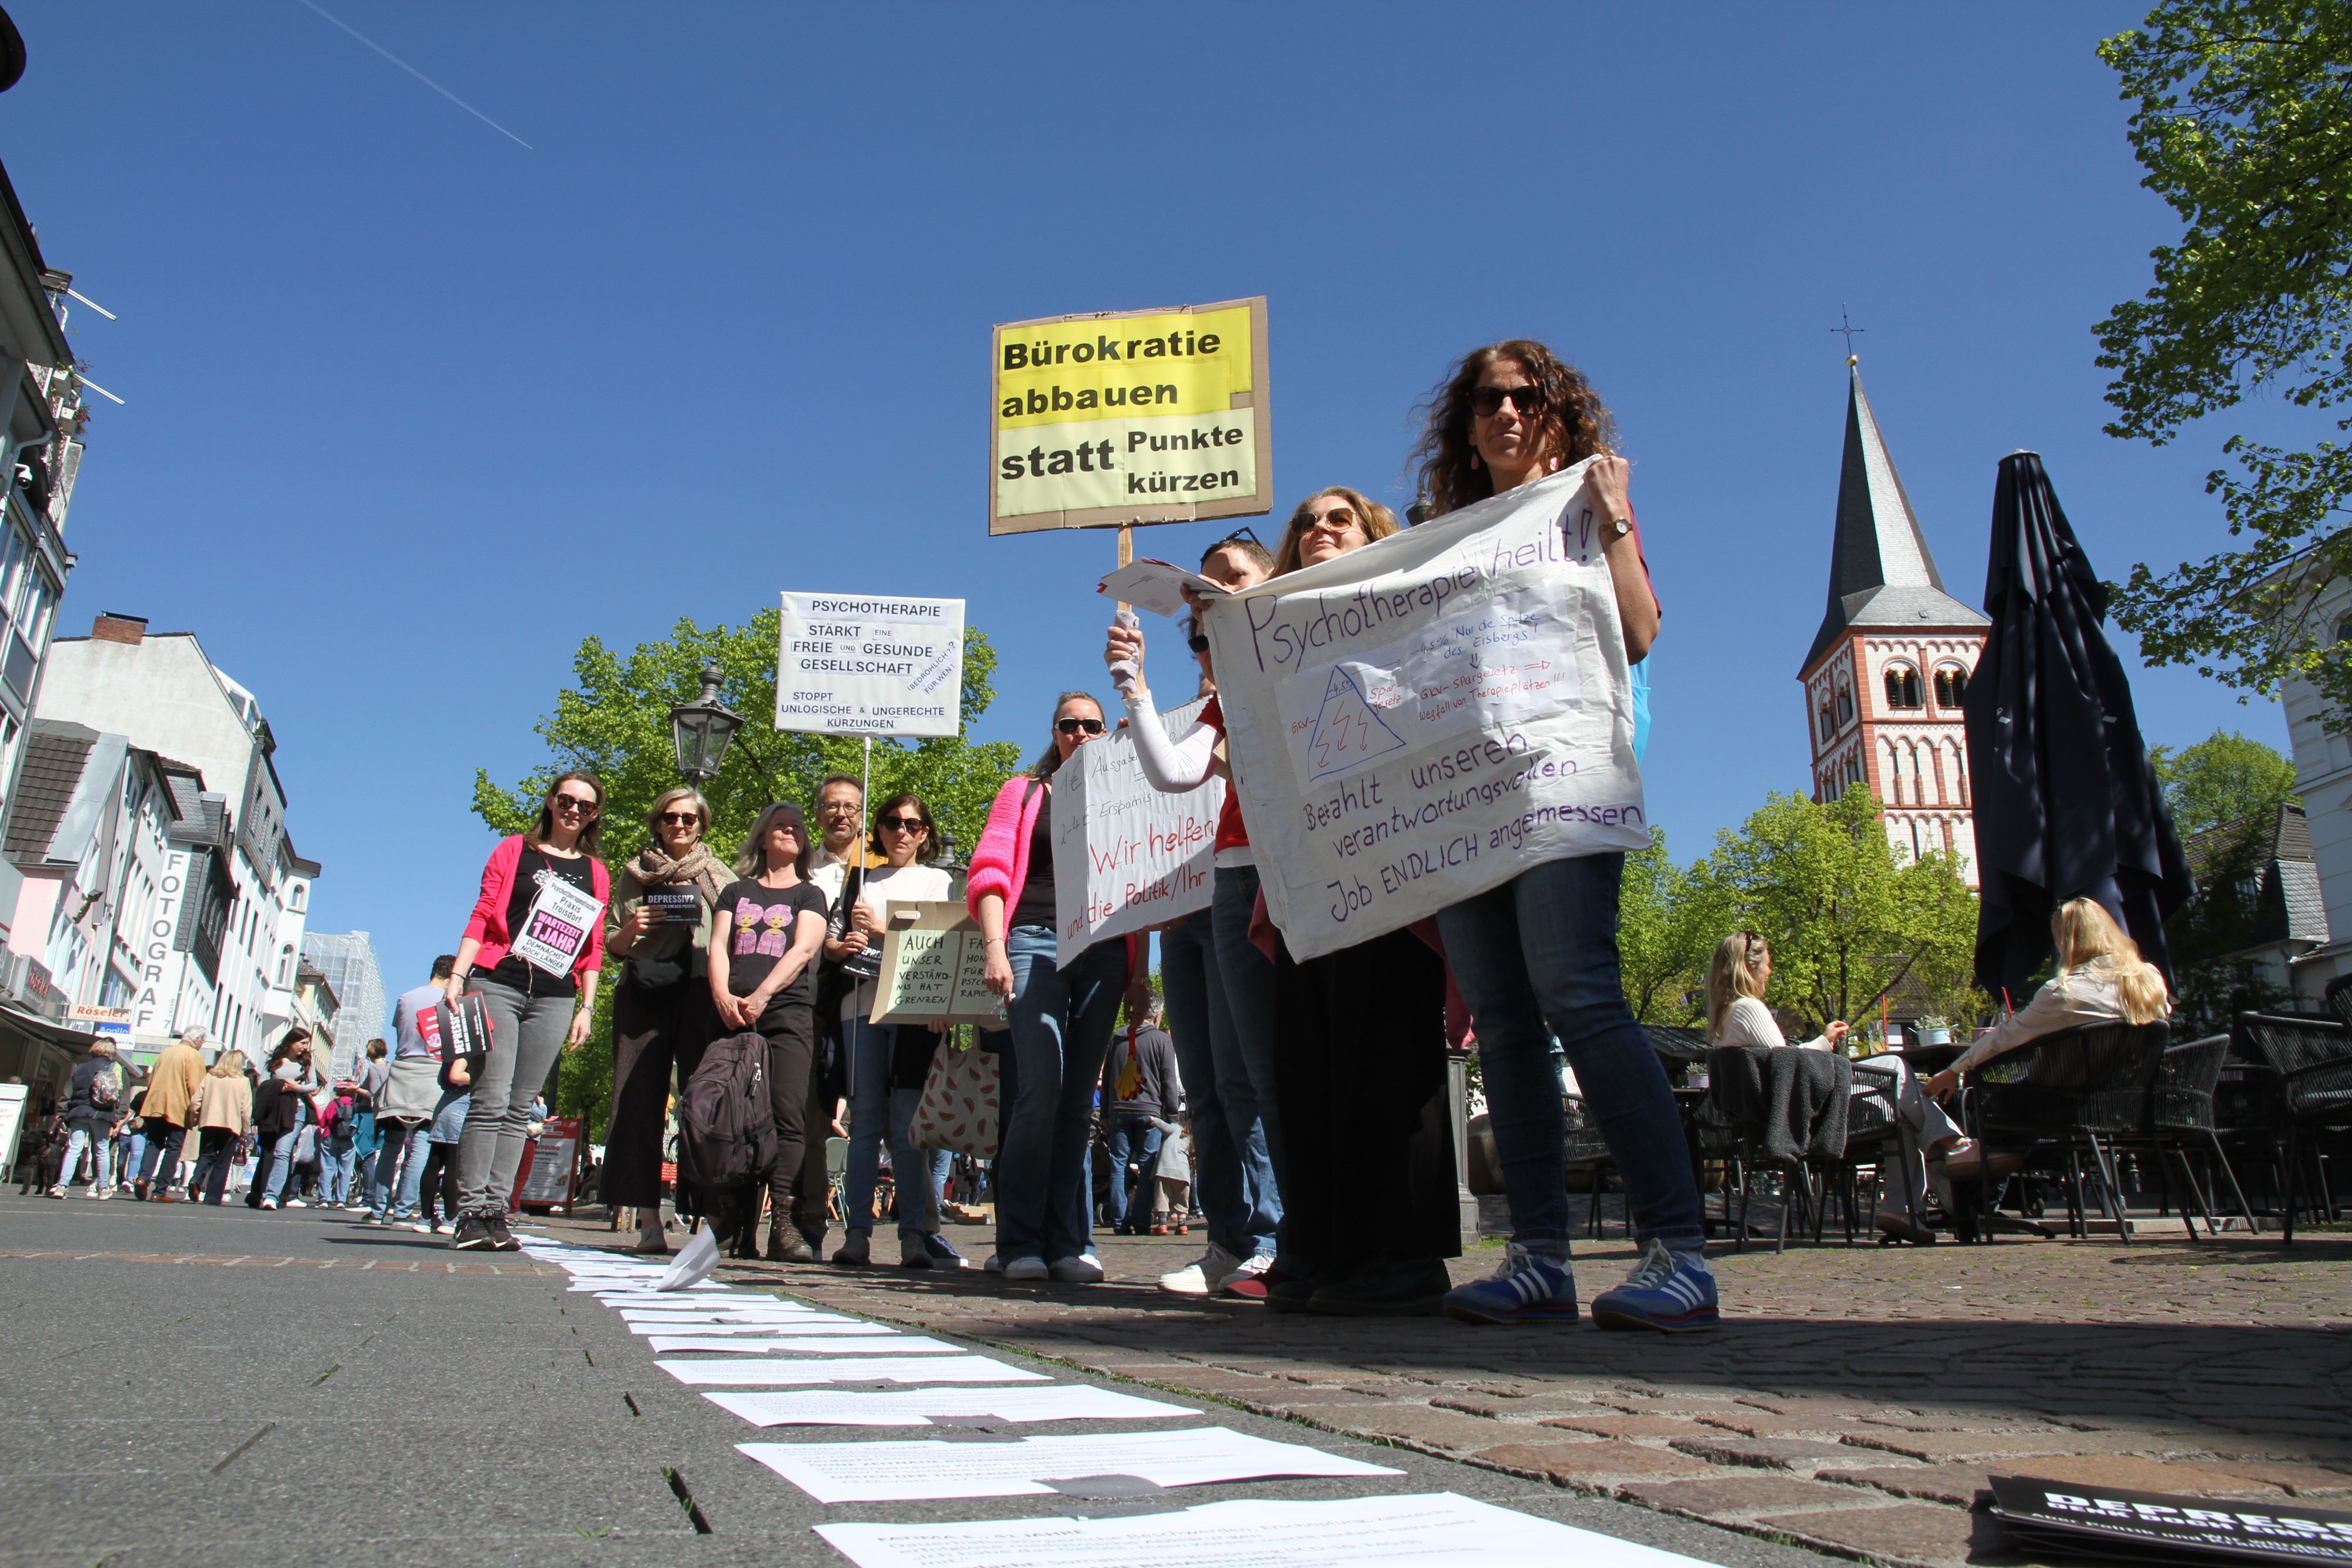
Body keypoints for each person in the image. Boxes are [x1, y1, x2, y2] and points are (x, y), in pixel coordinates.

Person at [1405, 340, 1716, 1330]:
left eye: (1528, 397)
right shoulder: (1444, 533)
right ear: (1467, 425)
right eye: (1489, 400)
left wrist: (1616, 514)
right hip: (1466, 802)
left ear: (1559, 413)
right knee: (1503, 1021)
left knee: (1579, 993)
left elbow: (1639, 633)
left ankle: (1680, 1251)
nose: (1508, 412)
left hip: (1563, 784)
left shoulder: (1585, 510)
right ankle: (1537, 1255)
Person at [1105, 530, 1285, 1298]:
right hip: (1194, 908)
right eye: (1200, 586)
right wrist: (1136, 689)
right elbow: (1175, 773)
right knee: (1208, 1086)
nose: (1209, 594)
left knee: (1250, 1079)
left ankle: (1272, 1237)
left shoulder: (1287, 666)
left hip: (1256, 893)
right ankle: (1228, 1238)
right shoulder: (1215, 703)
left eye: (1231, 579)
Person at [969, 691, 1141, 1283]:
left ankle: (1070, 1240)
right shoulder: (1024, 793)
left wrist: (1140, 974)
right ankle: (1018, 1240)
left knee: (1077, 1103)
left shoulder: (1122, 795)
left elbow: (1142, 877)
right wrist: (996, 946)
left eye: (1093, 725)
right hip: (1035, 940)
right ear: (1055, 733)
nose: (1082, 733)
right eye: (1070, 725)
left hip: (1102, 952)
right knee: (1039, 1087)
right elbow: (989, 870)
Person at [1706, 931, 1963, 1243]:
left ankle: (1906, 1206)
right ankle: (1954, 1149)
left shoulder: (1724, 1017)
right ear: (1750, 968)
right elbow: (1789, 1069)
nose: (1770, 973)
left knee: (1902, 1117)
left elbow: (1781, 1062)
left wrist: (1823, 1041)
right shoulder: (1750, 1008)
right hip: (1799, 1113)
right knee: (1895, 1068)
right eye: (1768, 965)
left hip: (1771, 1112)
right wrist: (1824, 1046)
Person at [447, 771, 612, 1252]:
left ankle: (498, 1211)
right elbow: (481, 913)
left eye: (585, 805)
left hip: (556, 995)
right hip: (498, 980)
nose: (574, 810)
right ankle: (471, 1211)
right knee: (490, 1097)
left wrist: (588, 1006)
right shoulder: (514, 849)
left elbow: (593, 945)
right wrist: (457, 976)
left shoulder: (596, 872)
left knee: (522, 1106)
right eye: (567, 799)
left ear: (594, 814)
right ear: (552, 801)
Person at [826, 791, 961, 1270]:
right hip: (860, 1007)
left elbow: (936, 943)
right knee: (863, 1123)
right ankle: (857, 1233)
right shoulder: (858, 879)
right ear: (879, 830)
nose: (900, 831)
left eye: (911, 824)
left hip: (912, 1012)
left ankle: (912, 1236)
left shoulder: (938, 880)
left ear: (925, 832)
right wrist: (843, 944)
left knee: (907, 1128)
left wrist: (881, 931)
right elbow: (833, 940)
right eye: (891, 822)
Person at [603, 787, 728, 1255]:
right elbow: (613, 944)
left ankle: (708, 1220)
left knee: (703, 1101)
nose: (680, 826)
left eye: (689, 820)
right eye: (671, 818)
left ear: (701, 826)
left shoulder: (720, 875)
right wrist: (634, 930)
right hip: (644, 992)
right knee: (636, 1101)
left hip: (700, 991)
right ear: (657, 823)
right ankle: (648, 1220)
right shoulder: (636, 874)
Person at [708, 801, 830, 1259]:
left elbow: (803, 951)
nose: (791, 832)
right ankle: (733, 1224)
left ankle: (783, 1220)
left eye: (798, 828)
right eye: (781, 826)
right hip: (731, 1013)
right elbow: (718, 945)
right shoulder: (735, 891)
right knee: (731, 1118)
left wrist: (763, 995)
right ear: (762, 836)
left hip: (787, 1011)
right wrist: (723, 994)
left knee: (786, 1115)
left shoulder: (810, 895)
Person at [1925, 899, 2171, 1102]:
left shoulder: (2065, 992)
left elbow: (2005, 1038)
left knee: (1977, 1103)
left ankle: (1974, 1155)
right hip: (2132, 1100)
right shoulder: (2150, 981)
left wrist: (1955, 1069)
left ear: (2067, 941)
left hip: (2062, 1102)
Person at [367, 962, 452, 1226]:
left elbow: (400, 1032)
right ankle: (404, 1211)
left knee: (391, 1146)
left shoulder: (406, 997)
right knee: (421, 1148)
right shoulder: (450, 1000)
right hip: (431, 1076)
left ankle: (378, 1209)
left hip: (402, 1072)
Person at [1099, 998, 1180, 1235]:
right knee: (1147, 1166)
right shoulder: (1161, 1040)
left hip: (1119, 1111)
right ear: (1156, 1015)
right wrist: (1173, 1117)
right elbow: (1169, 1081)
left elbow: (1107, 1080)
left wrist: (1105, 1112)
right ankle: (1142, 1219)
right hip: (1150, 1113)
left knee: (1118, 1165)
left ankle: (1120, 1222)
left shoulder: (1118, 1038)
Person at [131, 1027, 206, 1202]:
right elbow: (195, 1087)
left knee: (154, 1143)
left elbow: (151, 1079)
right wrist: (197, 1111)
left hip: (156, 1104)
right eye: (202, 1042)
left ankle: (143, 1177)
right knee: (174, 1148)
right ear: (196, 1041)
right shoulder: (194, 1056)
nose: (202, 1045)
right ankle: (160, 1190)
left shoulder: (166, 1053)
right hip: (178, 1107)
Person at [49, 1039, 128, 1198]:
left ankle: (62, 1186)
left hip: (79, 1112)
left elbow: (68, 1092)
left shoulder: (80, 1067)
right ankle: (103, 1188)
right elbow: (123, 1094)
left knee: (73, 1148)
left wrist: (62, 1111)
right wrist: (118, 1116)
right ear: (111, 1051)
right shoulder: (116, 1068)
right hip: (103, 1113)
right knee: (102, 1150)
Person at [251, 1029, 318, 1211]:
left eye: (307, 1044)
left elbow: (314, 1085)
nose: (305, 1047)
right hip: (274, 1111)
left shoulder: (306, 1063)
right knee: (270, 1152)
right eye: (303, 1043)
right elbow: (262, 1084)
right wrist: (278, 1087)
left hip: (297, 1110)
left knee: (283, 1151)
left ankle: (272, 1196)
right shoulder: (273, 1062)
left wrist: (298, 1087)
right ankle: (263, 1193)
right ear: (292, 1042)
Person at [188, 1050, 254, 1205]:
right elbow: (246, 1110)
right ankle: (212, 1196)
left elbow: (195, 1101)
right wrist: (244, 1131)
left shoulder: (210, 1077)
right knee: (223, 1162)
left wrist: (195, 1118)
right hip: (231, 1125)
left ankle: (196, 1179)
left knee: (206, 1155)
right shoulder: (243, 1081)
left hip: (209, 1122)